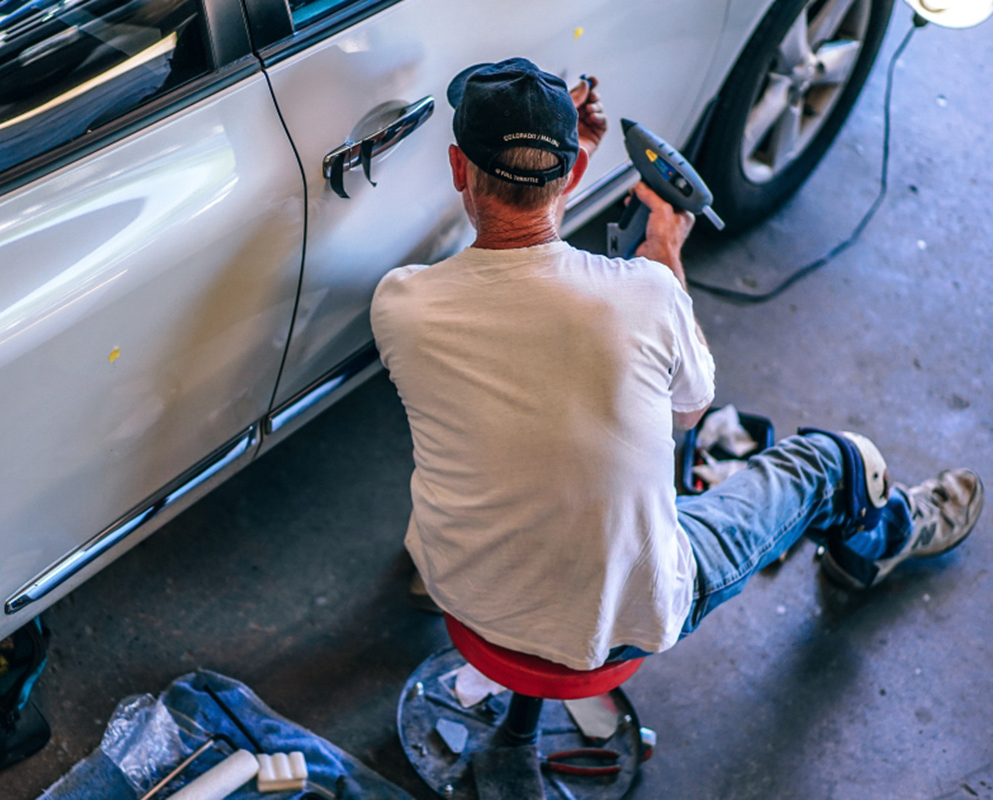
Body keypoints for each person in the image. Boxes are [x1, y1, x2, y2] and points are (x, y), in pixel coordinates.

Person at [370, 58, 984, 671]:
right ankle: (886, 539)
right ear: (576, 172)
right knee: (829, 461)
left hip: (461, 585)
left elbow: (512, 266)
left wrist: (556, 182)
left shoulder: (402, 304)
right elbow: (688, 413)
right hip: (615, 622)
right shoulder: (647, 294)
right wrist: (664, 252)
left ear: (457, 168)